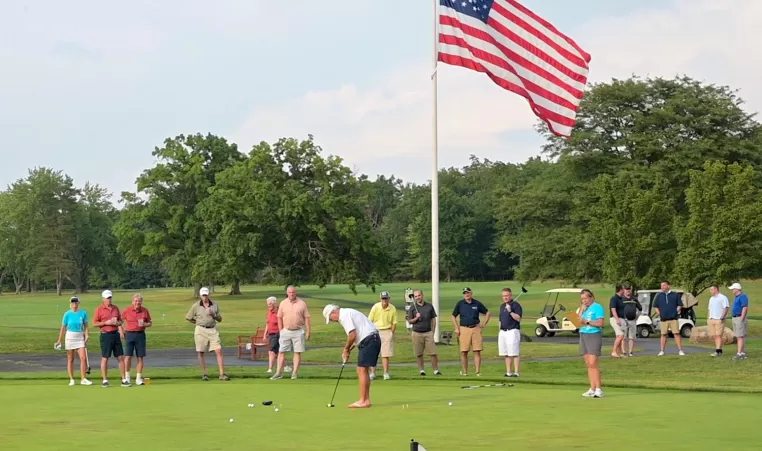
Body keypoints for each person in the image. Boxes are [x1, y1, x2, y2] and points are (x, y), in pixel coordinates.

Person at [323, 304, 381, 409]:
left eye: (331, 319)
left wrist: (345, 349)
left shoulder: (344, 316)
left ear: (333, 313)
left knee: (361, 370)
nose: (333, 321)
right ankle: (365, 399)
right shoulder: (348, 312)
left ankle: (364, 400)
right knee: (362, 369)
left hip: (369, 340)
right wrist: (349, 349)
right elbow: (359, 334)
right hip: (371, 339)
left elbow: (352, 335)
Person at [185, 287, 230, 381]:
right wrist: (197, 322)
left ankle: (222, 374)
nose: (204, 297)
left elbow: (220, 319)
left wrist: (213, 315)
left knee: (219, 350)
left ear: (208, 295)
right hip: (200, 330)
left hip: (212, 330)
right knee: (201, 352)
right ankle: (204, 374)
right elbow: (188, 317)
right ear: (200, 295)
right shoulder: (196, 306)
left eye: (206, 295)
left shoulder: (214, 305)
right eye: (203, 295)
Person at [271, 285, 311, 380]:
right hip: (286, 330)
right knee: (281, 351)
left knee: (297, 352)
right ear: (287, 293)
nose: (291, 294)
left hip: (298, 331)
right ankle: (278, 373)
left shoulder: (302, 303)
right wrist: (281, 330)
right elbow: (279, 317)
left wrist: (309, 330)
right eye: (290, 292)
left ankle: (294, 373)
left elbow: (307, 317)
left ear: (295, 292)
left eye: (293, 292)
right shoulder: (283, 303)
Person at [451, 287, 491, 376]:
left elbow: (487, 312)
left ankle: (477, 372)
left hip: (475, 328)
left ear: (471, 293)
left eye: (468, 293)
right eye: (465, 293)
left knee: (477, 350)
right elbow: (453, 316)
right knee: (464, 351)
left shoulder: (476, 303)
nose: (466, 294)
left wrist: (484, 323)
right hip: (464, 329)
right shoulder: (460, 304)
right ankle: (465, 372)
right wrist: (457, 327)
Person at [92, 290, 129, 387]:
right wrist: (105, 323)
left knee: (120, 357)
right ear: (103, 299)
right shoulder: (99, 309)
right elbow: (95, 323)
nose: (109, 300)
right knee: (105, 358)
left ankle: (124, 379)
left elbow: (121, 321)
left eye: (110, 298)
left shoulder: (115, 308)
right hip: (105, 335)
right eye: (107, 298)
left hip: (115, 334)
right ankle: (105, 380)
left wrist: (118, 323)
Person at [55, 296, 93, 386]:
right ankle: (71, 379)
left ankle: (83, 378)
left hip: (80, 336)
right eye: (73, 302)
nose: (74, 304)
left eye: (76, 302)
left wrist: (87, 334)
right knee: (70, 359)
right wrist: (59, 340)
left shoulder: (83, 313)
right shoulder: (67, 314)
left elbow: (86, 326)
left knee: (83, 358)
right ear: (70, 304)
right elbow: (63, 328)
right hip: (70, 337)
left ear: (78, 303)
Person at [406, 289, 442, 376]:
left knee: (433, 353)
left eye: (419, 295)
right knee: (419, 353)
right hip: (416, 333)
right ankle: (422, 370)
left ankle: (436, 370)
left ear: (422, 295)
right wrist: (416, 318)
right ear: (414, 297)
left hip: (428, 332)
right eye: (416, 296)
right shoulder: (412, 308)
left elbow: (433, 319)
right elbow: (410, 321)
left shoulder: (429, 306)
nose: (418, 297)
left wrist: (432, 332)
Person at [578, 288, 605, 398]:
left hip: (593, 334)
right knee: (588, 363)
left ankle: (598, 389)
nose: (584, 301)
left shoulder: (597, 307)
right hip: (583, 334)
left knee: (593, 362)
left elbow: (600, 323)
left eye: (585, 298)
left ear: (591, 297)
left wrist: (587, 321)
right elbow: (578, 321)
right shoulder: (584, 309)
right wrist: (581, 310)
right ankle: (592, 388)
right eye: (582, 299)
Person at [122, 293, 152, 385]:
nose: (137, 303)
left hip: (140, 334)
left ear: (141, 302)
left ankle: (138, 378)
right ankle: (127, 377)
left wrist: (145, 324)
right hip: (129, 334)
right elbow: (120, 321)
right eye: (135, 301)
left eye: (139, 301)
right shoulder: (127, 310)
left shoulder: (145, 311)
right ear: (132, 302)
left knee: (140, 357)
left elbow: (150, 322)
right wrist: (121, 331)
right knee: (128, 356)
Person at [367, 291, 398, 380]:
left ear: (389, 298)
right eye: (383, 298)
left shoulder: (392, 308)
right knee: (373, 353)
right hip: (375, 331)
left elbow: (394, 323)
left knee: (385, 354)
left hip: (387, 331)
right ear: (380, 299)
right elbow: (369, 321)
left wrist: (391, 333)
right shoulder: (376, 307)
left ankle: (386, 373)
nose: (384, 300)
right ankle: (372, 373)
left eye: (386, 298)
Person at [653, 280, 685, 356]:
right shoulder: (659, 295)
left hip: (673, 318)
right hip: (663, 319)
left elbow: (679, 305)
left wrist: (675, 311)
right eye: (661, 286)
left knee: (676, 333)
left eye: (664, 285)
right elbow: (655, 307)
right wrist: (660, 314)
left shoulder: (675, 295)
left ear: (668, 286)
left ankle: (680, 350)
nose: (662, 287)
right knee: (663, 334)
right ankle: (662, 351)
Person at [497, 288, 523, 377]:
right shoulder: (502, 306)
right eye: (504, 296)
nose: (505, 297)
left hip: (512, 331)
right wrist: (499, 329)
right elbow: (500, 319)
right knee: (506, 353)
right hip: (503, 331)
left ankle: (516, 372)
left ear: (510, 295)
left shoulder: (515, 305)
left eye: (507, 295)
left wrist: (510, 311)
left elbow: (518, 318)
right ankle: (508, 372)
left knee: (514, 352)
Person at [707, 285, 729, 357]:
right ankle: (719, 350)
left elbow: (726, 308)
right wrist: (708, 318)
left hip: (719, 319)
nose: (710, 291)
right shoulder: (711, 299)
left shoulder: (723, 297)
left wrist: (721, 318)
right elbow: (709, 309)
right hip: (712, 319)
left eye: (711, 289)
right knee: (714, 335)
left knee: (718, 335)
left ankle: (717, 351)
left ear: (716, 289)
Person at [729, 282, 749, 360]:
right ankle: (742, 353)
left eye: (733, 289)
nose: (732, 291)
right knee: (739, 336)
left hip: (739, 317)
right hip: (735, 317)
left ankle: (739, 353)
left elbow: (744, 308)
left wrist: (742, 318)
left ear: (737, 289)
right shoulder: (737, 297)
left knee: (740, 336)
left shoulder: (742, 296)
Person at [621, 286, 642, 357]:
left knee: (631, 337)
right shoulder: (621, 299)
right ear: (624, 290)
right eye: (626, 290)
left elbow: (640, 308)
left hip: (632, 320)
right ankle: (624, 352)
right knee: (623, 337)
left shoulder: (634, 299)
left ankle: (630, 352)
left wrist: (637, 317)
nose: (628, 291)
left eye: (629, 290)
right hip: (623, 320)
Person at [609, 285, 626, 358]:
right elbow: (613, 309)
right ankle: (614, 351)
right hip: (615, 318)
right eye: (623, 289)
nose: (624, 291)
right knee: (621, 335)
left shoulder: (621, 299)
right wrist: (617, 319)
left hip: (621, 318)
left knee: (619, 336)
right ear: (621, 290)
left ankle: (618, 353)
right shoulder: (614, 298)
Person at [264, 296, 280, 373]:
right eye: (268, 304)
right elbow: (268, 323)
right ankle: (286, 367)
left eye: (270, 303)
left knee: (271, 351)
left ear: (274, 303)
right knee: (278, 352)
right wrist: (265, 334)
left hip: (277, 333)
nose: (269, 305)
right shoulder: (269, 312)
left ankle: (270, 368)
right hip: (271, 334)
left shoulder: (278, 312)